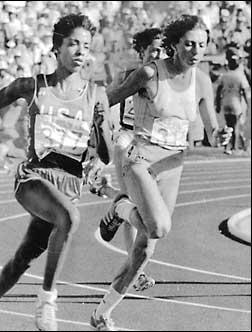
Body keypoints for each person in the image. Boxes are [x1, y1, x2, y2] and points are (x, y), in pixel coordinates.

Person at [0, 14, 113, 332]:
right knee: (71, 218)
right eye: (73, 43)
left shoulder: (95, 94)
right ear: (56, 47)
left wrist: (102, 127)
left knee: (24, 257)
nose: (80, 51)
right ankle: (47, 301)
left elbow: (105, 154)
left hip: (69, 185)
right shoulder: (34, 86)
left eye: (86, 46)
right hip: (34, 178)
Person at [90, 15, 232, 331]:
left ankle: (101, 314)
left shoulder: (203, 80)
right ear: (174, 45)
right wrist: (100, 132)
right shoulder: (150, 73)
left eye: (202, 44)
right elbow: (106, 100)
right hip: (140, 159)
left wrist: (219, 135)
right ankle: (119, 206)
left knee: (142, 251)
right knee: (159, 228)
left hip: (172, 166)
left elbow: (211, 128)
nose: (196, 50)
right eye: (189, 44)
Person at [92, 28, 164, 293]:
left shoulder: (166, 77)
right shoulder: (129, 76)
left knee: (146, 211)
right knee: (137, 205)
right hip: (127, 139)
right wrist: (100, 151)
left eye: (162, 49)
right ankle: (138, 271)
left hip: (154, 146)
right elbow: (106, 103)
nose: (159, 54)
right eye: (153, 49)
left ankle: (109, 198)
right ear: (141, 52)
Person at [215, 44, 250, 154]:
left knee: (229, 125)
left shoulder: (224, 75)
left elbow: (218, 91)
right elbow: (245, 91)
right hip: (236, 104)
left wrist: (217, 103)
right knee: (235, 126)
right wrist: (248, 104)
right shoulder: (240, 76)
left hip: (226, 102)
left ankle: (229, 147)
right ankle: (232, 148)